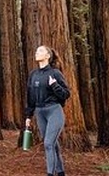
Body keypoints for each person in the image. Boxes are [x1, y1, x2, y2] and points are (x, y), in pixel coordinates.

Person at [25, 45, 70, 176]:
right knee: (53, 144)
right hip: (40, 112)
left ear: (47, 56)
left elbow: (66, 94)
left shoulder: (55, 73)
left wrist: (54, 85)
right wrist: (28, 116)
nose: (36, 52)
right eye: (36, 50)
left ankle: (50, 173)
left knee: (48, 144)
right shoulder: (33, 75)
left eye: (40, 51)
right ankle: (61, 173)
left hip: (54, 111)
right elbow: (30, 97)